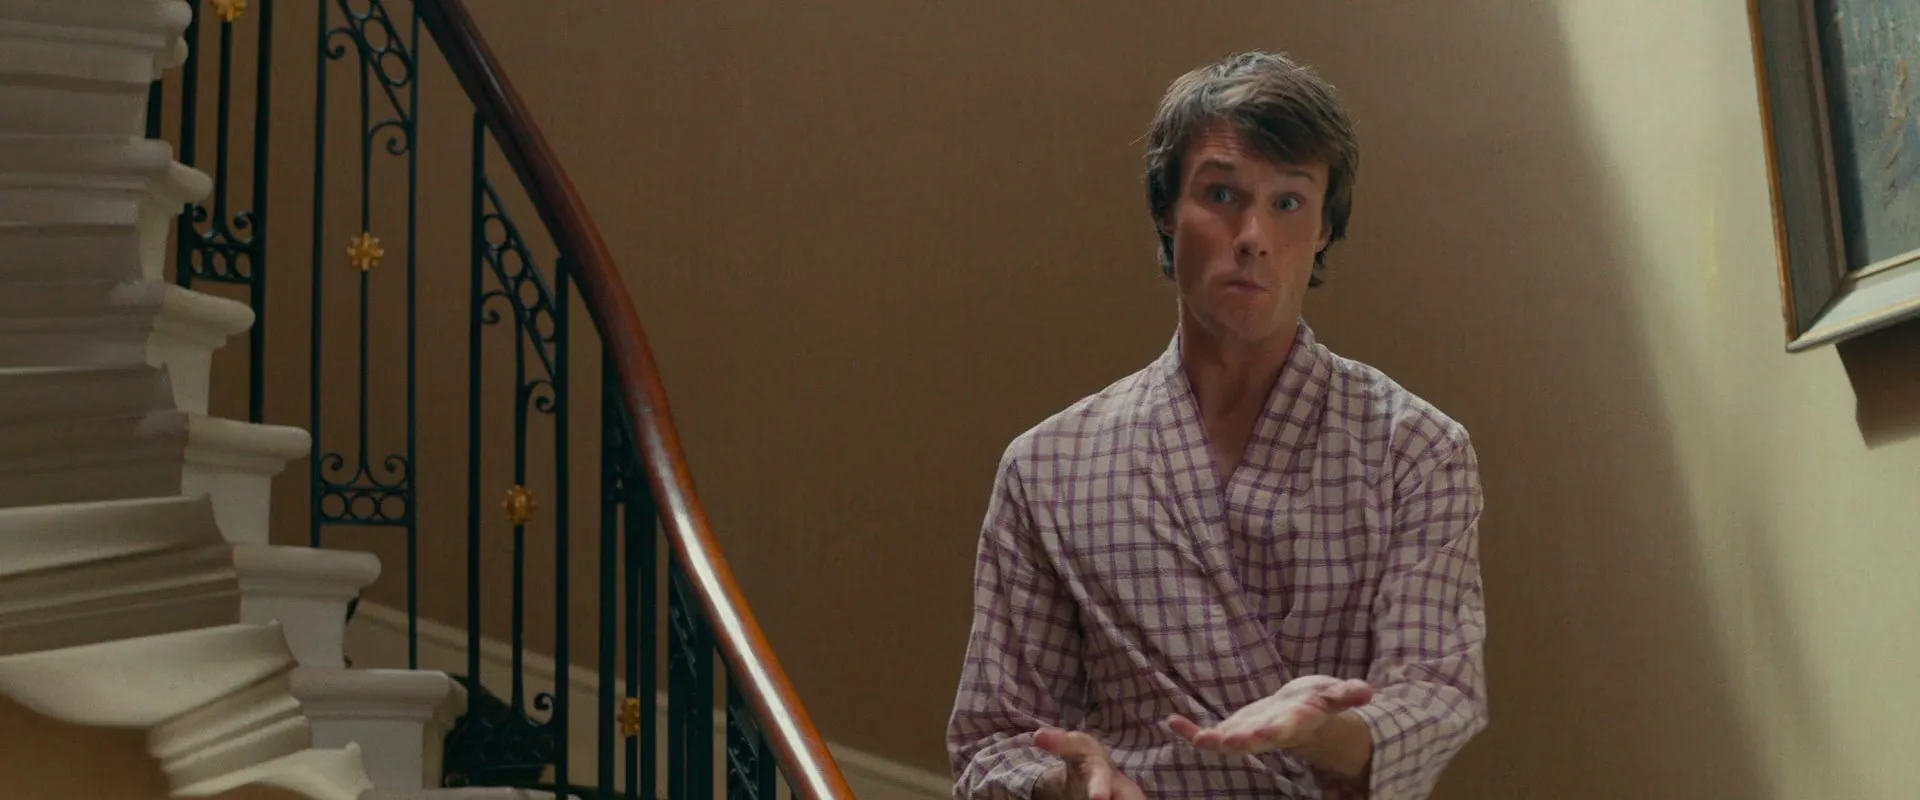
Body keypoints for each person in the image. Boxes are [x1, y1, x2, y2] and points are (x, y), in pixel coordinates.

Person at [945, 50, 1489, 799]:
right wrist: (1067, 786)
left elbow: (1435, 694)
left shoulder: (1416, 450)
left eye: (1288, 202)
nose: (1253, 234)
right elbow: (991, 740)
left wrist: (1319, 731)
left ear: (1325, 227)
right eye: (1222, 194)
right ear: (1166, 212)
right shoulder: (1047, 468)